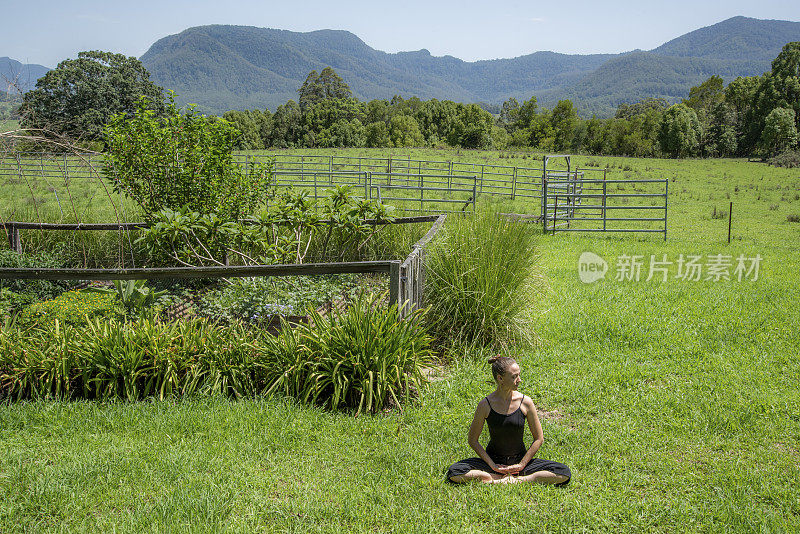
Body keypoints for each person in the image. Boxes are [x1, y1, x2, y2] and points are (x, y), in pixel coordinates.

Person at [446, 355, 571, 485]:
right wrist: (492, 465)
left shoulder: (525, 402)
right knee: (455, 472)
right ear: (500, 378)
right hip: (494, 462)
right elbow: (473, 440)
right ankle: (497, 478)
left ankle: (516, 480)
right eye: (514, 377)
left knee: (563, 472)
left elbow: (538, 439)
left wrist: (521, 465)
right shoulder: (485, 405)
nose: (519, 380)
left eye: (519, 375)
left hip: (520, 461)